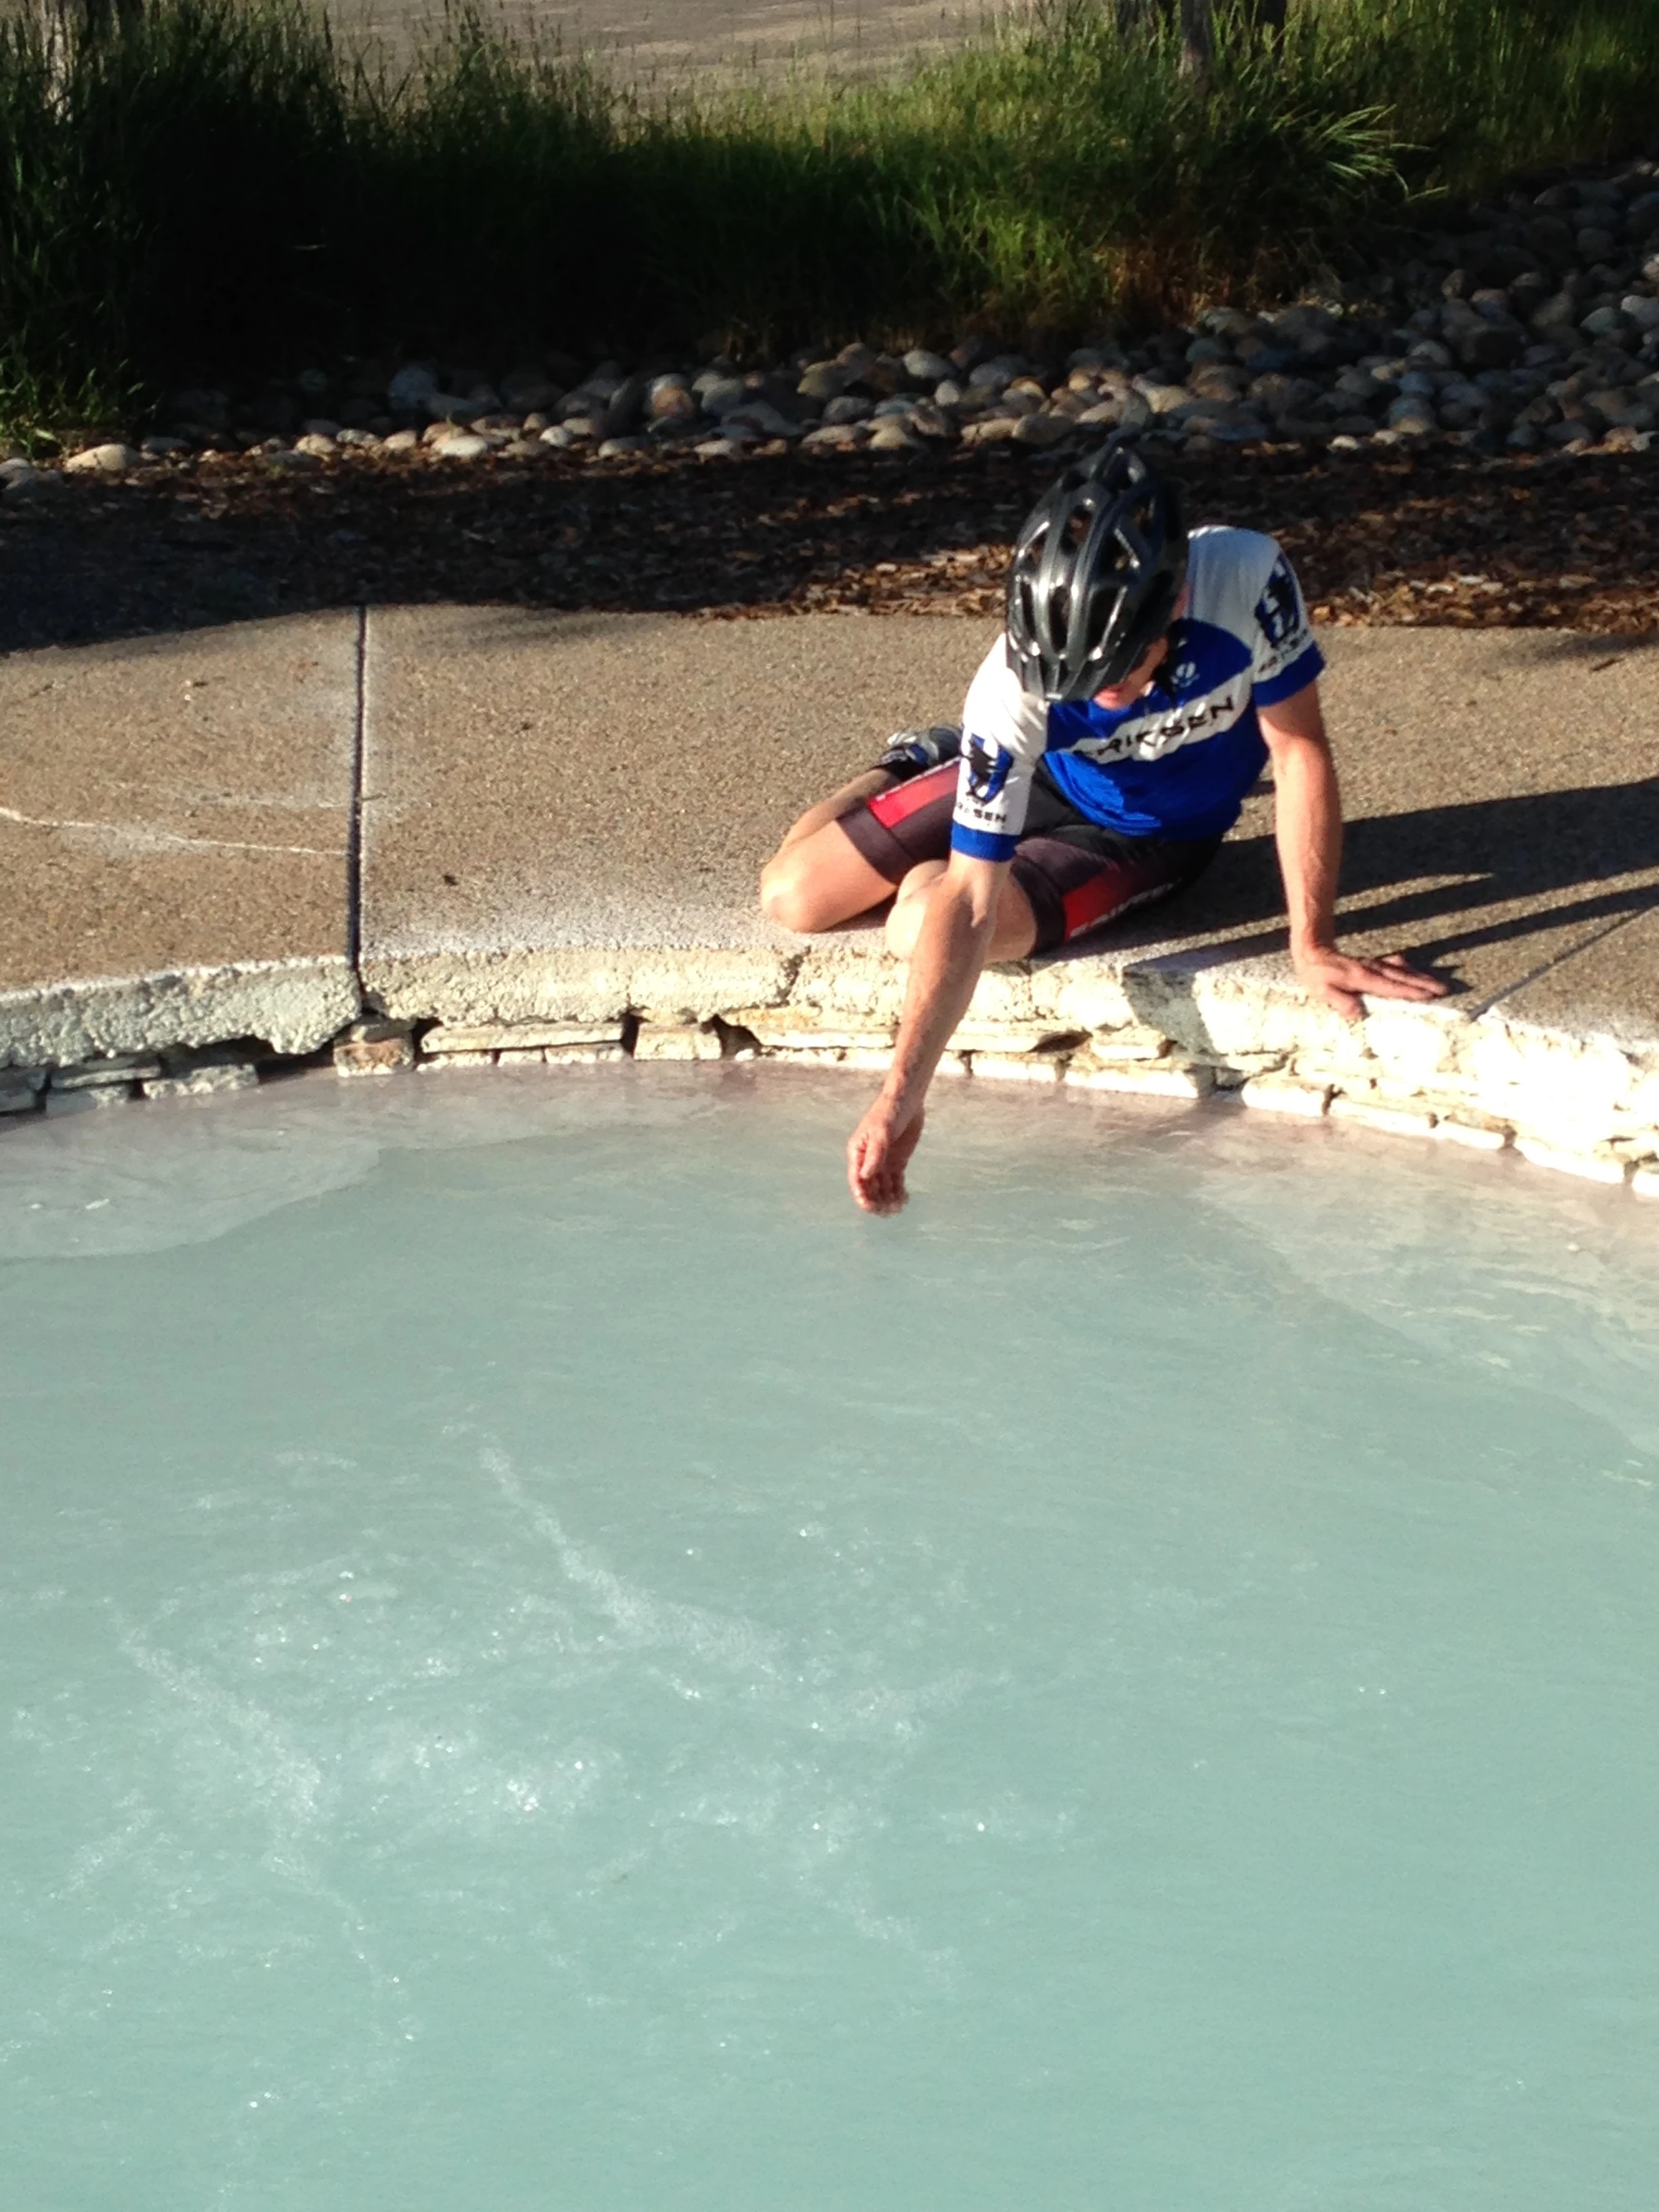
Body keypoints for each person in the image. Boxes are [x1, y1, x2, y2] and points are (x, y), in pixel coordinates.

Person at [757, 437, 1446, 1215]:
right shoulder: (1007, 689)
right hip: (1045, 774)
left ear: (1173, 607)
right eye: (1076, 680)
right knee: (792, 897)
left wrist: (1311, 943)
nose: (1100, 697)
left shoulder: (1245, 574)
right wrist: (899, 1098)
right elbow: (973, 899)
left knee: (921, 924)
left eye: (1116, 674)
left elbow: (1297, 752)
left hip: (1151, 832)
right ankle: (914, 760)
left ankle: (953, 838)